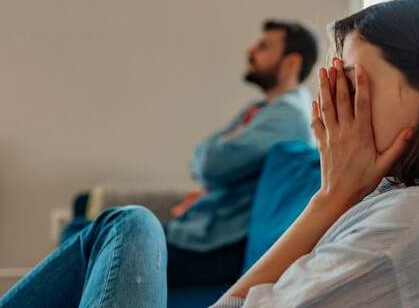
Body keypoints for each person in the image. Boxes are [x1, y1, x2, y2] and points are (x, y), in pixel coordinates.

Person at [0, 0, 419, 308]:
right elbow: (206, 159)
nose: (334, 108)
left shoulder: (401, 232)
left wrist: (329, 200)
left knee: (126, 224)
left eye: (352, 83)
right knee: (123, 226)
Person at [60, 20, 319, 287]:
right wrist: (213, 159)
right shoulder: (261, 110)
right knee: (82, 226)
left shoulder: (288, 116)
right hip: (199, 233)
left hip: (214, 247)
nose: (251, 51)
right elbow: (201, 158)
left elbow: (208, 164)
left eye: (264, 46)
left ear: (291, 63)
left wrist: (214, 158)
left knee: (82, 237)